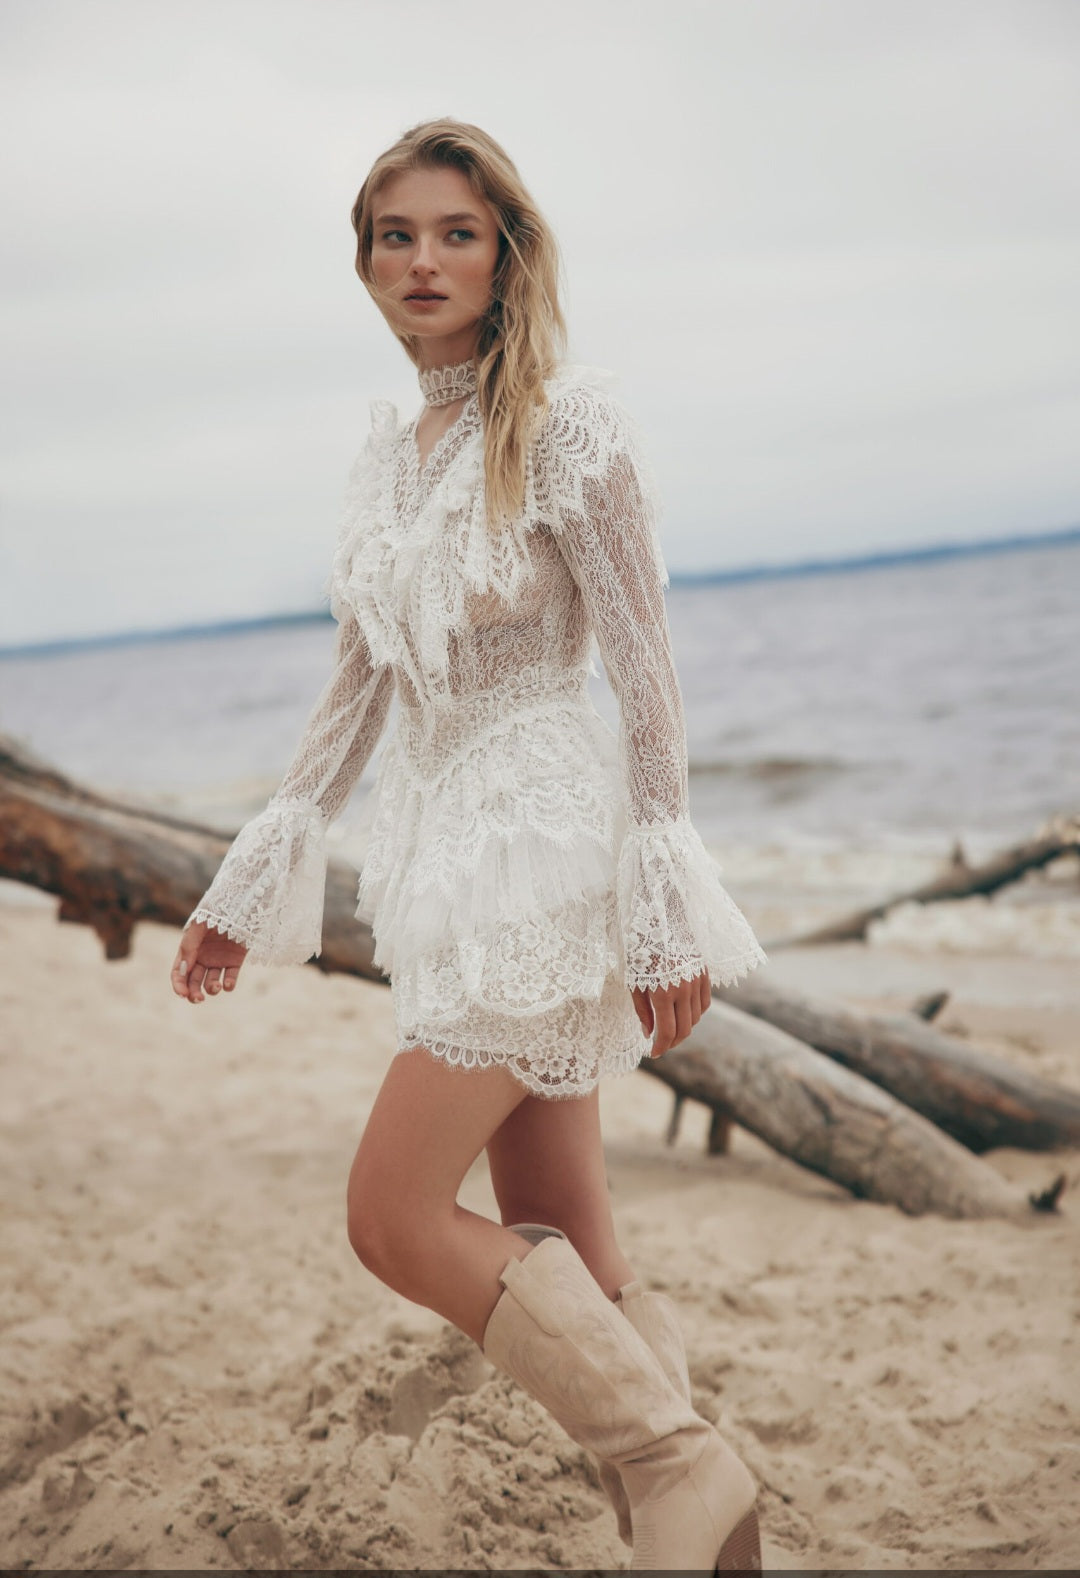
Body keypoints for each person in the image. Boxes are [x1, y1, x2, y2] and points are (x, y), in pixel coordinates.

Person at [170, 118, 768, 1572]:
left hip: (551, 850)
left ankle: (679, 1464)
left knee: (390, 1211)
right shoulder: (389, 461)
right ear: (365, 265)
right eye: (396, 235)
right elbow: (361, 685)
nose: (424, 260)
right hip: (445, 862)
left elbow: (645, 668)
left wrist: (663, 899)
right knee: (564, 1229)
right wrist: (257, 874)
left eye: (456, 231)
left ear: (505, 253)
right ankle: (698, 1529)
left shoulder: (566, 423)